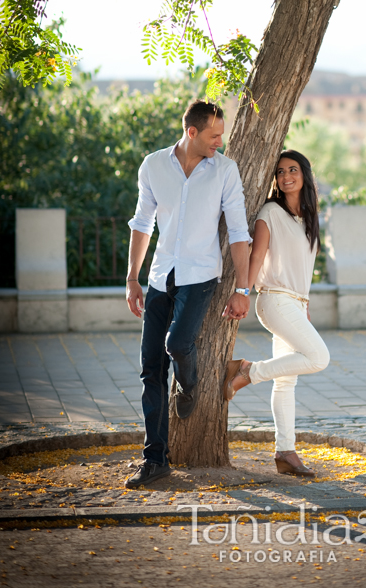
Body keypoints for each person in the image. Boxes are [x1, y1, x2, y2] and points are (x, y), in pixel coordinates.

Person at [125, 99, 251, 488]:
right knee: (150, 368)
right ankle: (155, 458)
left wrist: (243, 288)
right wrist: (133, 278)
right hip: (161, 276)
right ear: (192, 132)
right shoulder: (153, 166)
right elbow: (143, 222)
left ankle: (190, 382)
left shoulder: (225, 171)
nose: (220, 142)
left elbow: (240, 232)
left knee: (178, 343)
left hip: (201, 275)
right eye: (214, 136)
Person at [223, 150, 330, 477]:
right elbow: (257, 256)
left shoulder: (308, 217)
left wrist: (304, 306)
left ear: (304, 174)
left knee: (286, 383)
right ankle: (246, 370)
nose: (286, 176)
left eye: (293, 170)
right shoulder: (270, 211)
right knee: (319, 357)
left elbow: (302, 269)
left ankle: (286, 452)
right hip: (275, 301)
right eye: (281, 172)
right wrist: (242, 291)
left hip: (295, 304)